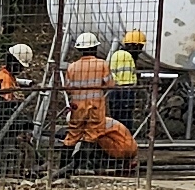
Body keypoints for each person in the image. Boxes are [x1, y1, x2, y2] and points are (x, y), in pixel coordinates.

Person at [59, 32, 140, 165]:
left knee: (72, 136)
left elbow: (68, 87)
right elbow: (109, 84)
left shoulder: (72, 67)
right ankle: (79, 166)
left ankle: (62, 167)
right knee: (91, 136)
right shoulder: (102, 65)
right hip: (95, 108)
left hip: (77, 108)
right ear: (95, 48)